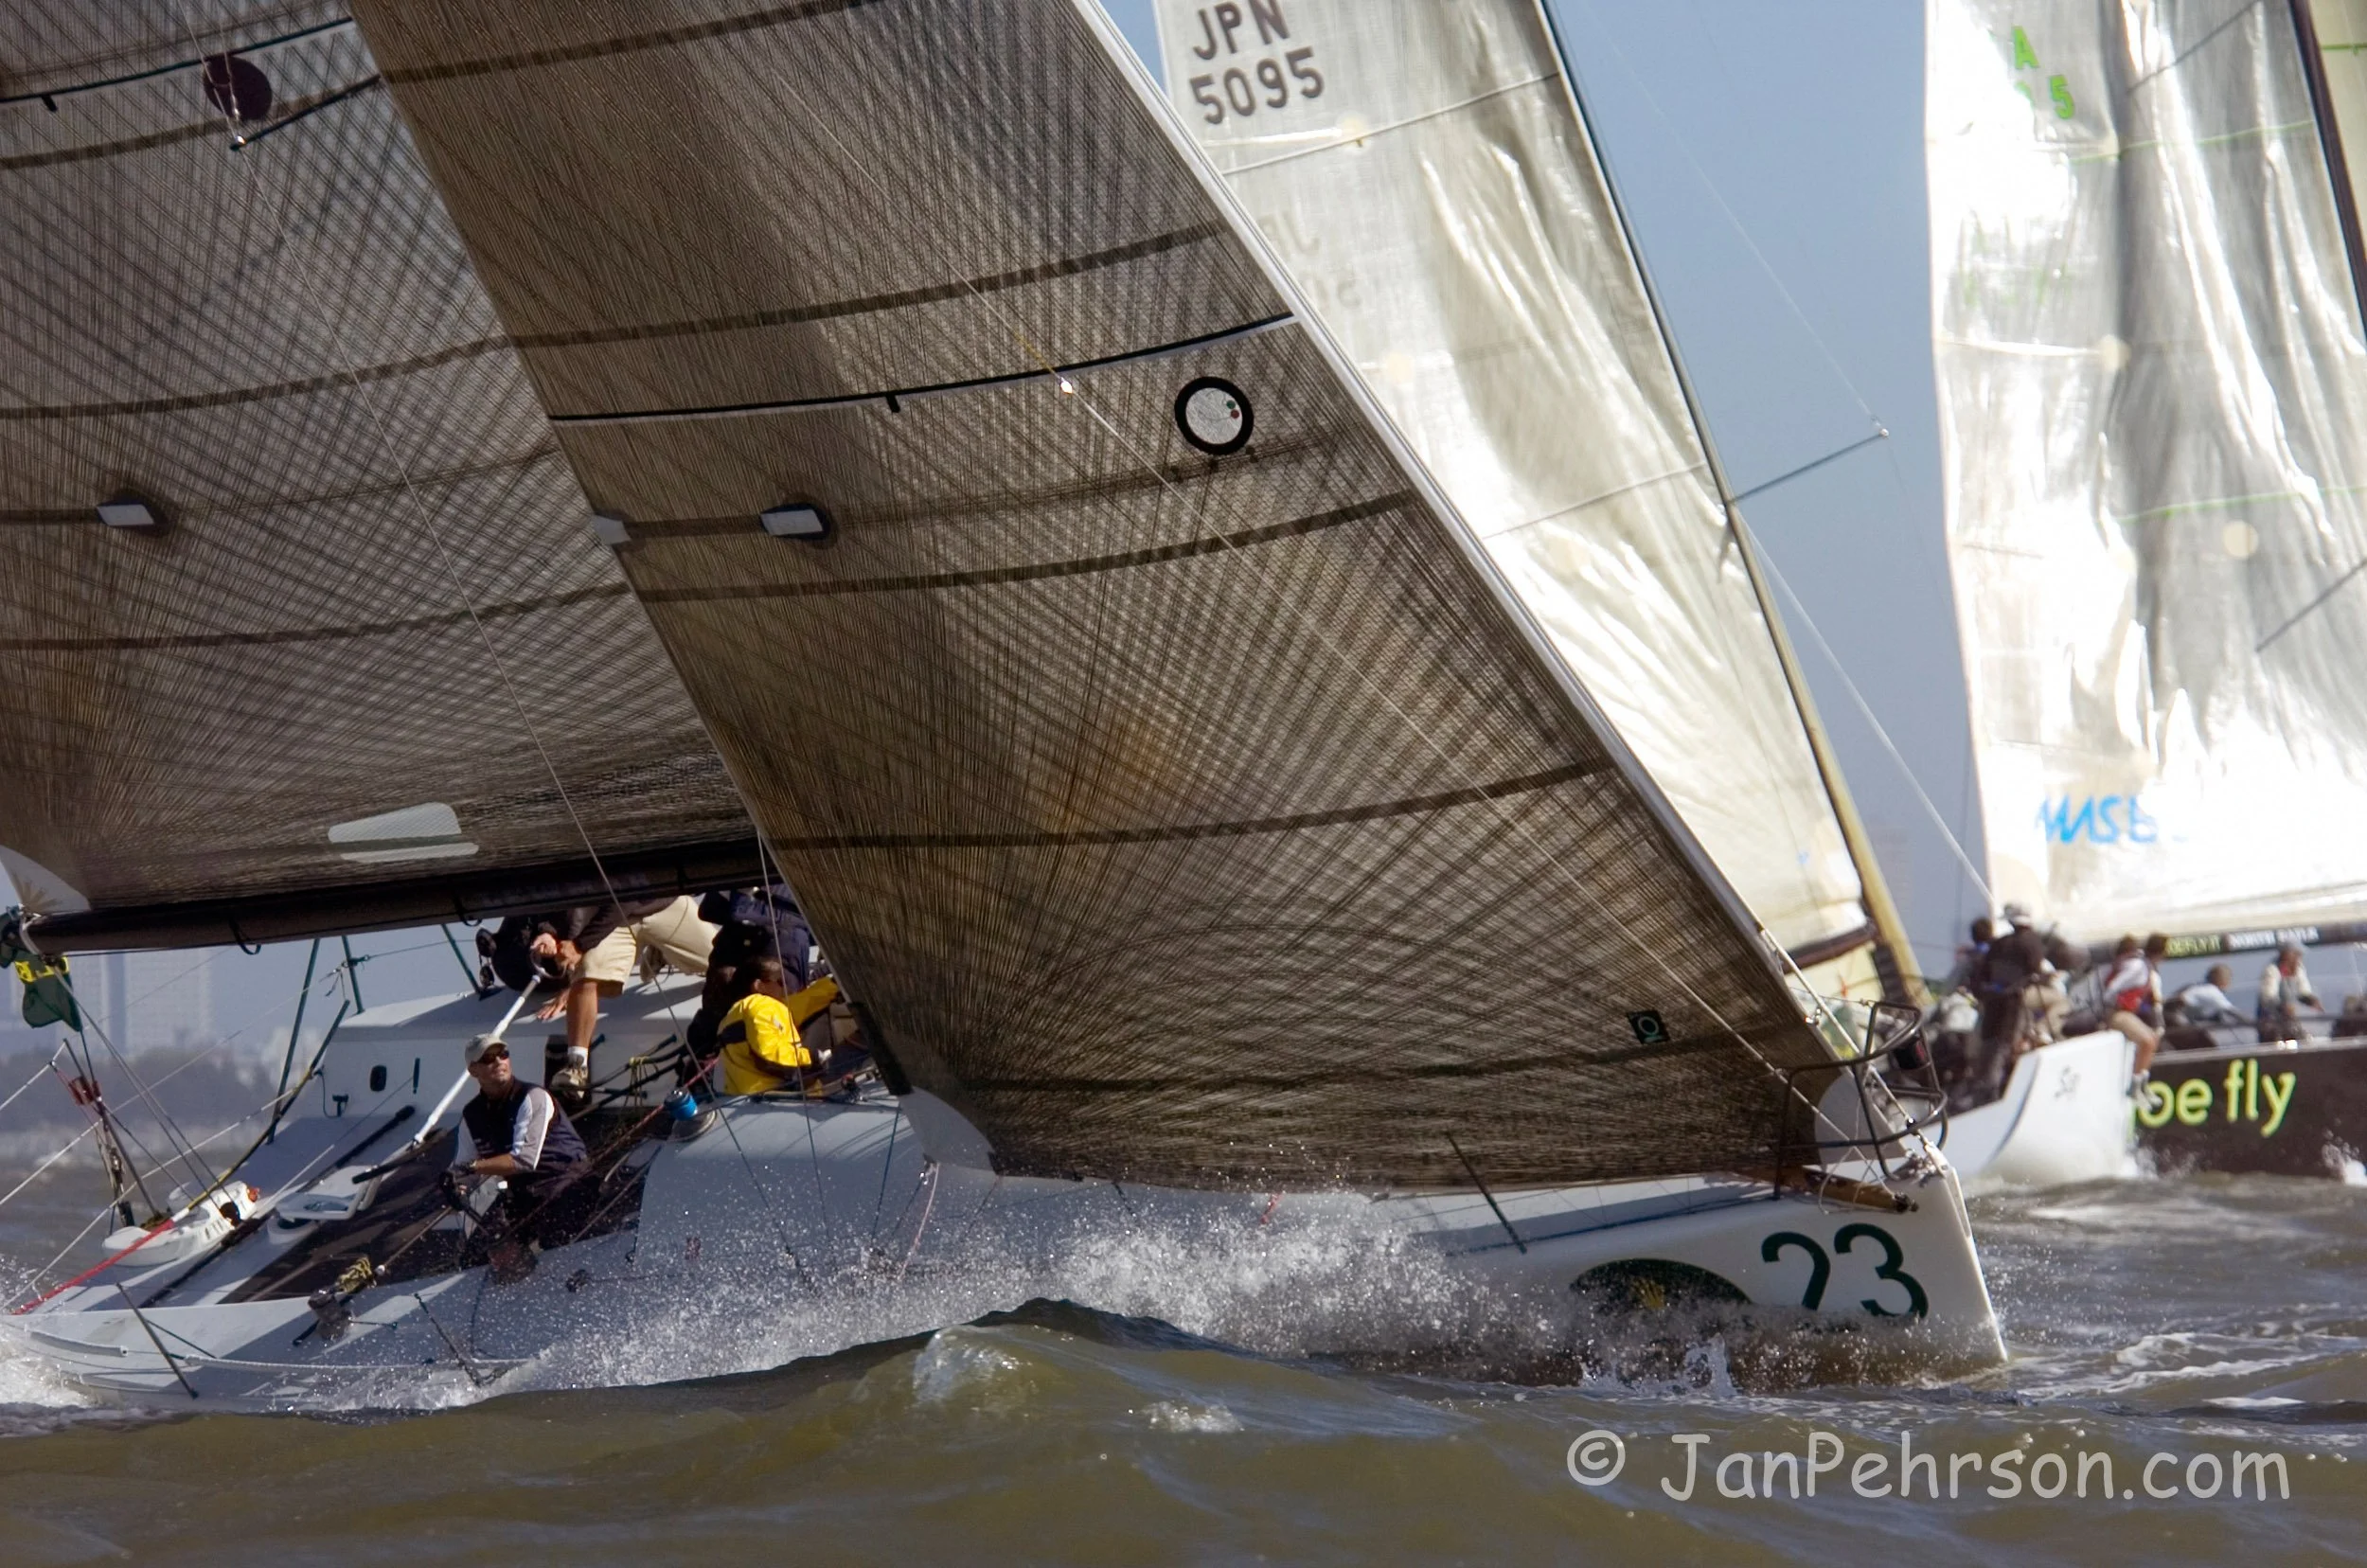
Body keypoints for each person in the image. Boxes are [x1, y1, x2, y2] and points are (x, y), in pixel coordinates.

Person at [520, 896, 718, 1108]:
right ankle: (577, 1066)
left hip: (663, 904)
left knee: (718, 959)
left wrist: (579, 945)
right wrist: (549, 933)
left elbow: (625, 900)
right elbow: (566, 898)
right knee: (586, 976)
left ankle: (662, 948)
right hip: (616, 923)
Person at [451, 1034, 593, 1275]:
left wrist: (472, 1168)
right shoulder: (472, 1114)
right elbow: (462, 1167)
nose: (498, 1061)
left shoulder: (533, 1096)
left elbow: (523, 1160)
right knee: (477, 1253)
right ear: (473, 1070)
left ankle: (561, 1278)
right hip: (524, 1193)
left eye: (503, 1054)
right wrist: (455, 1184)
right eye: (488, 1058)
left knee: (555, 1237)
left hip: (567, 1182)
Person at [716, 957, 843, 1096]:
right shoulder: (761, 1006)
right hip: (774, 1094)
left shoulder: (732, 1016)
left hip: (745, 1096)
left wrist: (831, 986)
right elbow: (768, 1055)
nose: (785, 987)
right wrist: (812, 1058)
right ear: (759, 985)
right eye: (780, 982)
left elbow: (801, 1004)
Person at [2099, 935, 2161, 1075]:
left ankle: (2140, 1076)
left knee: (2153, 1038)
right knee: (2147, 1042)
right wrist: (2112, 1003)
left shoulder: (2138, 966)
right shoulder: (2136, 967)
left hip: (2125, 1013)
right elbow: (2112, 988)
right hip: (2117, 1013)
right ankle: (2136, 1079)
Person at [2258, 945, 2322, 1043]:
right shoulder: (2272, 971)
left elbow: (2303, 991)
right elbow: (2267, 998)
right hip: (2271, 1023)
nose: (2299, 959)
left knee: (2303, 1038)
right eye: (2296, 955)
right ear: (2287, 955)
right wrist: (2282, 1007)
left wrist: (2311, 1000)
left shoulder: (2298, 968)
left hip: (2291, 1021)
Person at [2174, 964, 2244, 1026]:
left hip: (2177, 1018)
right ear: (2223, 980)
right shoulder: (2212, 991)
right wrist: (2249, 1022)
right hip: (2178, 1020)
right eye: (2229, 979)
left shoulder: (2197, 986)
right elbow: (2233, 1012)